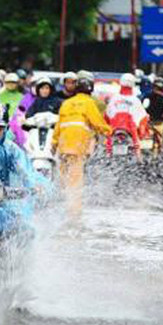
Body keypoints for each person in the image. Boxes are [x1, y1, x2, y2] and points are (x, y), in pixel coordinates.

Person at [52, 75, 112, 218]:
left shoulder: (67, 103)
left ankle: (60, 205)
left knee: (64, 177)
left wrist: (54, 143)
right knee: (75, 179)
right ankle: (74, 211)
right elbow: (97, 123)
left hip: (63, 144)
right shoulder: (88, 103)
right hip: (77, 146)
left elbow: (58, 125)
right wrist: (110, 130)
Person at [105, 73, 149, 158]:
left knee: (107, 148)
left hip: (114, 131)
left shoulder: (114, 98)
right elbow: (142, 118)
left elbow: (106, 116)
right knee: (138, 151)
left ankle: (108, 154)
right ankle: (139, 158)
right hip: (131, 132)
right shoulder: (135, 100)